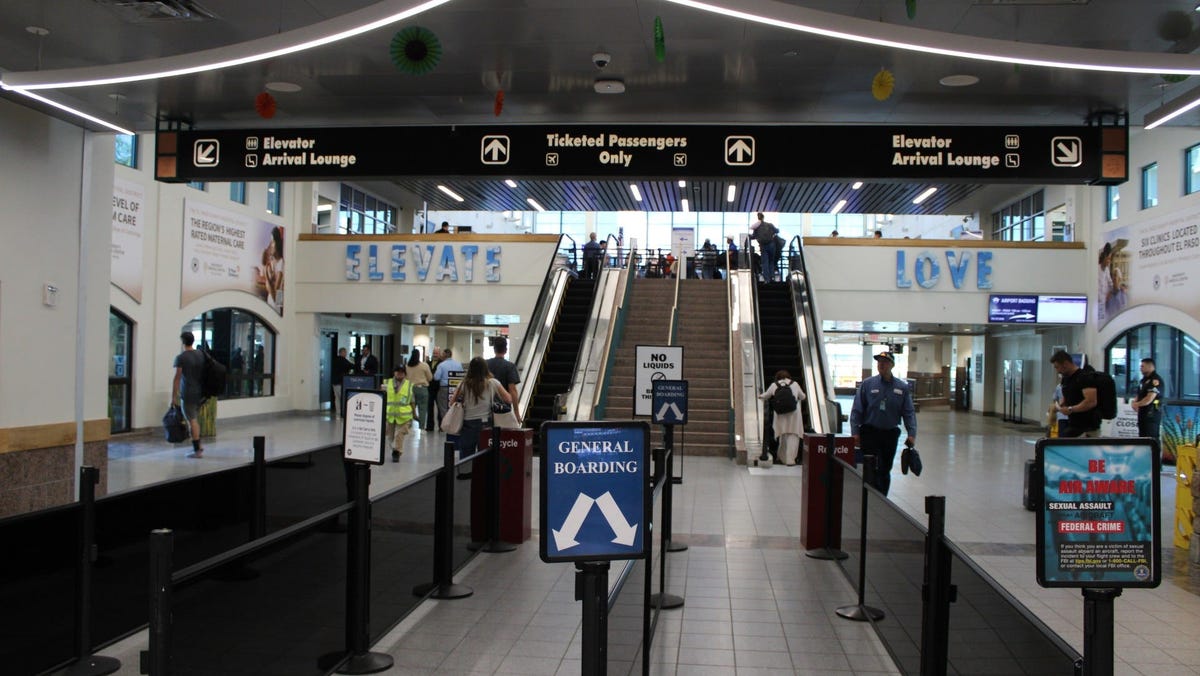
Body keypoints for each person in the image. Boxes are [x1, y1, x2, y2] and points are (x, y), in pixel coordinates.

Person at [850, 351, 917, 495]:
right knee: (870, 465)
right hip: (870, 432)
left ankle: (882, 496)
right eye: (879, 362)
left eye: (885, 362)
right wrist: (855, 433)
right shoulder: (868, 384)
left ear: (892, 365)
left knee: (885, 467)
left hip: (890, 434)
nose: (881, 364)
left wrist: (912, 433)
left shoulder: (902, 387)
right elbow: (857, 410)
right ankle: (869, 493)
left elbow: (908, 412)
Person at [451, 356, 513, 459]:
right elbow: (508, 399)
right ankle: (482, 474)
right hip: (486, 424)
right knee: (485, 454)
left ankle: (466, 473)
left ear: (470, 369)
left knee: (466, 455)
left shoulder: (463, 384)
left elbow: (452, 403)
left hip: (467, 424)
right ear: (485, 368)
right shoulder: (492, 382)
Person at [757, 370, 806, 465]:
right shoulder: (795, 384)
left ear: (777, 377)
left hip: (780, 414)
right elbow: (803, 397)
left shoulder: (774, 385)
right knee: (793, 436)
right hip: (794, 415)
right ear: (788, 377)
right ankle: (790, 460)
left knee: (782, 436)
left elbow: (765, 396)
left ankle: (781, 457)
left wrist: (758, 396)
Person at [171, 331, 207, 458]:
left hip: (188, 393)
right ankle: (200, 446)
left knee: (192, 421)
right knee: (195, 419)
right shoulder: (200, 354)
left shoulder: (181, 357)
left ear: (183, 342)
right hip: (201, 392)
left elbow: (177, 377)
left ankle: (197, 450)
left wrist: (174, 396)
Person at [1051, 351, 1101, 438]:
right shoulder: (1066, 379)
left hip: (1088, 427)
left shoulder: (1084, 377)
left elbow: (1091, 401)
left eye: (1057, 367)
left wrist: (1071, 409)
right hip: (1073, 424)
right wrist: (1061, 405)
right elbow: (1067, 397)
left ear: (1065, 364)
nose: (1057, 371)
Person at [486, 337, 522, 426]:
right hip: (504, 410)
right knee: (503, 436)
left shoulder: (485, 364)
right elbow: (512, 390)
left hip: (486, 408)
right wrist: (517, 413)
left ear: (494, 349)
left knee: (487, 436)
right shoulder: (510, 366)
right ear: (505, 350)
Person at [384, 364, 415, 462]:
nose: (399, 374)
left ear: (405, 373)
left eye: (402, 372)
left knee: (399, 434)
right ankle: (394, 449)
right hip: (390, 416)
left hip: (404, 416)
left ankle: (397, 452)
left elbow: (412, 401)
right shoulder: (387, 383)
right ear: (394, 372)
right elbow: (382, 397)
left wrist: (415, 414)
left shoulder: (409, 385)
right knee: (390, 437)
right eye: (397, 371)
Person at [1131, 357, 1163, 440]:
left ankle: (1154, 453)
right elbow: (1140, 394)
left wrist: (1137, 404)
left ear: (1150, 367)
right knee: (1142, 437)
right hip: (1143, 413)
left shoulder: (1155, 380)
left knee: (1151, 437)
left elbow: (1149, 398)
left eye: (1142, 366)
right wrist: (1135, 401)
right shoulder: (1144, 380)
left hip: (1151, 414)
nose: (1140, 368)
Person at [433, 348, 463, 426]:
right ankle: (454, 424)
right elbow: (462, 376)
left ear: (444, 355)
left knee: (443, 407)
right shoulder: (458, 364)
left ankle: (446, 425)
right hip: (456, 389)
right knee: (454, 406)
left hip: (444, 388)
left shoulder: (441, 365)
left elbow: (436, 377)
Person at [406, 348, 434, 431]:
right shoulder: (424, 365)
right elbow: (430, 378)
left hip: (410, 389)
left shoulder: (407, 366)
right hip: (422, 389)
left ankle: (408, 426)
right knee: (422, 409)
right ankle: (421, 428)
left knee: (410, 408)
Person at [259, 226, 284, 313]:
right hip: (271, 302)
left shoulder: (281, 263)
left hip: (275, 303)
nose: (270, 245)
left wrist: (268, 279)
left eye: (272, 242)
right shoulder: (271, 265)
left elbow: (276, 294)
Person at [750, 212, 778, 282]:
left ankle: (767, 279)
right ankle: (772, 277)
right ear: (763, 217)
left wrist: (749, 236)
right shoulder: (770, 225)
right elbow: (777, 231)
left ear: (758, 218)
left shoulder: (756, 227)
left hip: (763, 246)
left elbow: (753, 236)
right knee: (771, 261)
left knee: (765, 262)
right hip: (771, 245)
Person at [331, 347, 352, 418]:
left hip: (334, 382)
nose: (346, 354)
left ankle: (338, 413)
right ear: (342, 353)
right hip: (341, 382)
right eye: (345, 352)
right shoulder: (343, 360)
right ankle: (343, 412)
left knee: (337, 398)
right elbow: (351, 366)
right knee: (342, 397)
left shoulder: (335, 360)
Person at [426, 347, 443, 430]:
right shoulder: (428, 363)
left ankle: (441, 426)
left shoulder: (442, 363)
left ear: (439, 354)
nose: (435, 355)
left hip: (439, 388)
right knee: (429, 408)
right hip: (429, 388)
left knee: (440, 408)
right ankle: (430, 426)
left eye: (436, 353)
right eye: (434, 353)